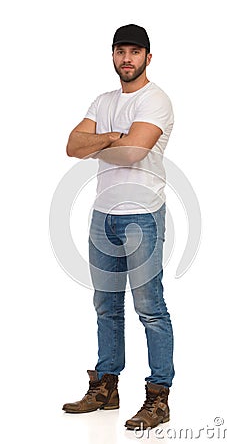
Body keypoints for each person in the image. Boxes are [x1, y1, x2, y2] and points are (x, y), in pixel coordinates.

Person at [62, 24, 175, 430]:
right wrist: (112, 135)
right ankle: (106, 386)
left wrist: (107, 144)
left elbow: (134, 152)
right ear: (112, 56)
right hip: (102, 215)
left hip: (143, 214)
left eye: (134, 51)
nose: (126, 58)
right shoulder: (104, 101)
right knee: (106, 307)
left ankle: (159, 396)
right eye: (119, 51)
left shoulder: (156, 100)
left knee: (150, 309)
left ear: (148, 56)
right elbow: (72, 146)